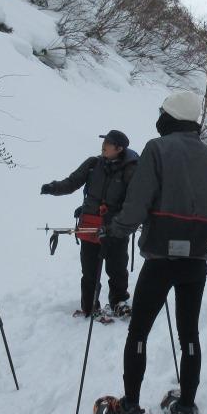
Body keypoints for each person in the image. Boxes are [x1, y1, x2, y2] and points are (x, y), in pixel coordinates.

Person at [98, 91, 207, 414]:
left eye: (162, 112)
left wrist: (115, 230)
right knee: (189, 334)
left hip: (160, 257)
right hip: (196, 260)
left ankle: (129, 406)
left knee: (138, 331)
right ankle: (185, 406)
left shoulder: (157, 148)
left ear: (169, 116)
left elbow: (138, 204)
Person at [41, 130, 139, 318]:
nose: (104, 145)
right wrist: (53, 188)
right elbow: (72, 182)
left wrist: (123, 222)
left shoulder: (131, 169)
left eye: (108, 143)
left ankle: (119, 302)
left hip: (115, 228)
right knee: (89, 269)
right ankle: (90, 306)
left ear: (119, 148)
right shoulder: (93, 164)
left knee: (117, 268)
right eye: (104, 142)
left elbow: (134, 199)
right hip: (90, 225)